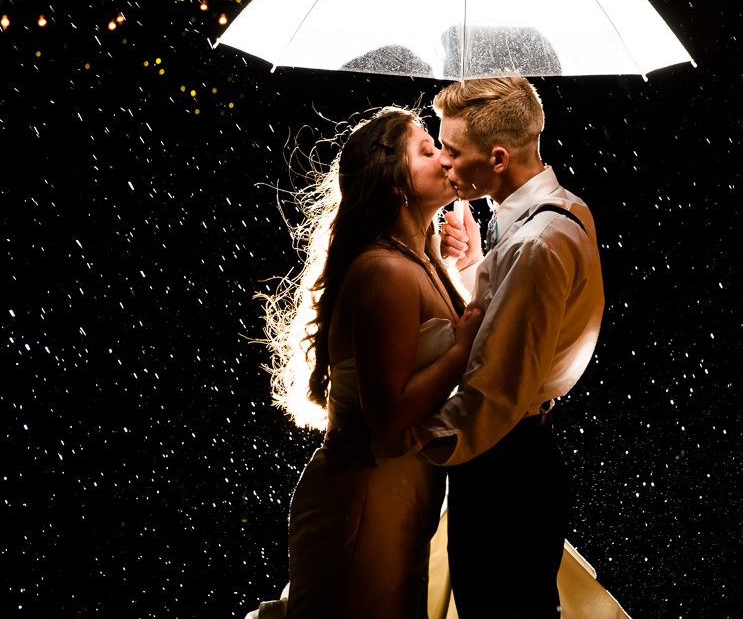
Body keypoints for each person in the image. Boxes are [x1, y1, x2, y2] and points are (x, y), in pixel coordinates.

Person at [251, 106, 484, 619]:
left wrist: (464, 264)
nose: (446, 157)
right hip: (362, 501)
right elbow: (389, 414)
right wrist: (463, 347)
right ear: (395, 183)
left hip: (400, 495)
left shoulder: (418, 260)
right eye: (428, 151)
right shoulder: (385, 271)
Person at [401, 77, 605, 618]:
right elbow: (510, 325)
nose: (444, 162)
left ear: (497, 157)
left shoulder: (538, 244)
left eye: (452, 150)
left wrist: (408, 436)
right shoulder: (561, 212)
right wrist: (472, 265)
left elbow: (496, 386)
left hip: (504, 470)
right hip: (516, 457)